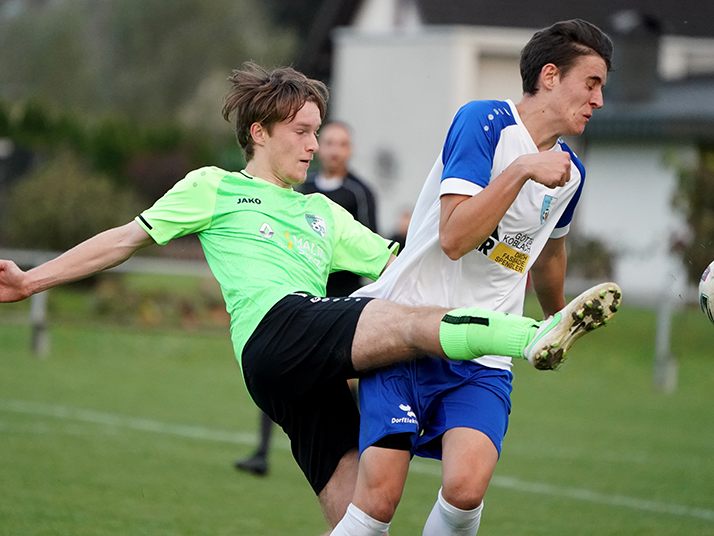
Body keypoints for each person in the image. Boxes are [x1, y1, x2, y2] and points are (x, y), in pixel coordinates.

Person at [0, 61, 619, 531]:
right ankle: (533, 337)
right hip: (275, 330)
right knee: (404, 325)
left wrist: (483, 232)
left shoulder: (325, 213)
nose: (312, 145)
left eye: (317, 132)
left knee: (365, 514)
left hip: (302, 379)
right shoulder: (213, 187)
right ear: (259, 130)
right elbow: (122, 240)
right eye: (300, 131)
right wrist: (31, 280)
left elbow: (412, 267)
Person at [331, 19, 617, 536]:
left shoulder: (571, 174)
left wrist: (559, 319)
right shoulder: (483, 123)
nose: (599, 99)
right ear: (550, 75)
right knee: (379, 500)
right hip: (404, 333)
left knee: (466, 489)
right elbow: (455, 237)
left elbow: (551, 255)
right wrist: (522, 170)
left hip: (481, 353)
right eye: (591, 83)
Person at [235, 120, 379, 477]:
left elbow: (368, 246)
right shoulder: (303, 188)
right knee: (283, 367)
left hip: (344, 298)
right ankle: (263, 451)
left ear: (350, 150)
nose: (329, 148)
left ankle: (366, 453)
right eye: (326, 141)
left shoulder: (359, 193)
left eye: (339, 143)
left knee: (344, 383)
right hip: (298, 297)